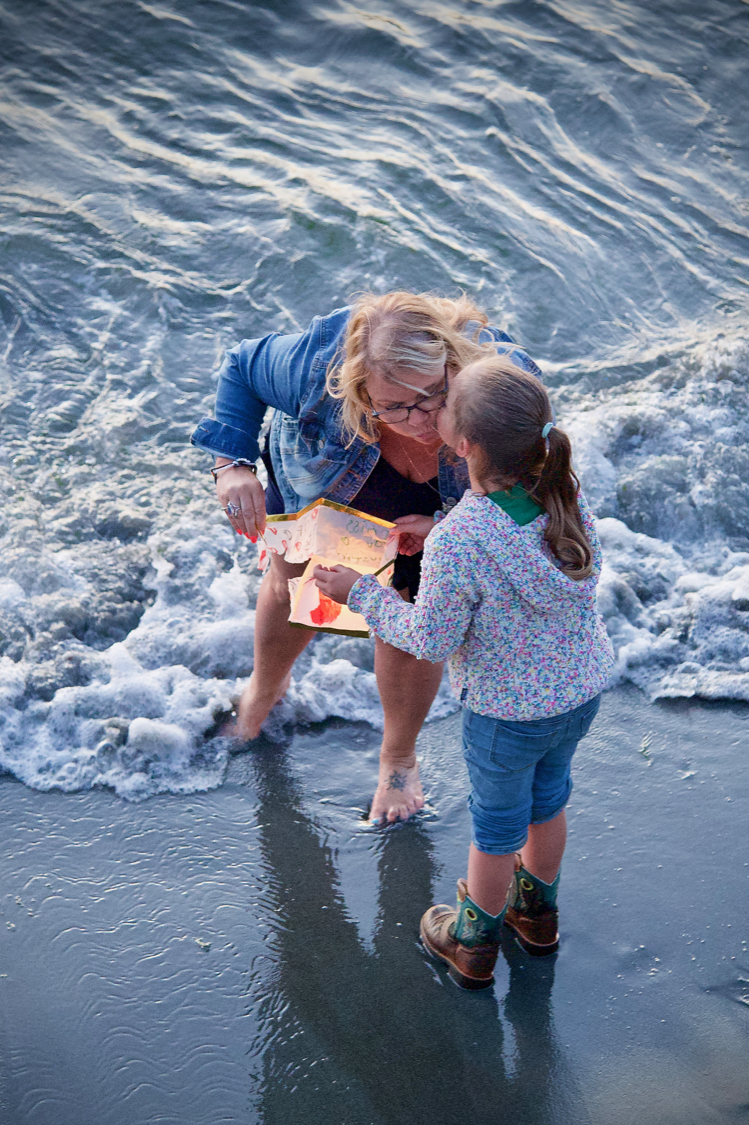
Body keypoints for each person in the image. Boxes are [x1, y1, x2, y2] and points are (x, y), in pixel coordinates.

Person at [313, 356, 614, 989]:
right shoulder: (562, 489)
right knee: (548, 799)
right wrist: (443, 527)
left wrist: (358, 593)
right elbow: (512, 540)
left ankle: (473, 939)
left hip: (508, 712)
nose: (432, 410)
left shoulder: (462, 541)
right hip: (578, 691)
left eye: (444, 403)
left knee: (498, 825)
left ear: (465, 443)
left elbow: (429, 638)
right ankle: (537, 915)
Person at [192, 292, 540, 824]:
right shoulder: (316, 367)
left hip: (444, 502)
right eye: (394, 406)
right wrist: (231, 464)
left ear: (453, 364)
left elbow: (533, 490)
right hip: (328, 474)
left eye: (432, 397)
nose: (418, 419)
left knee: (410, 614)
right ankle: (263, 694)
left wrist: (447, 527)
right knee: (297, 587)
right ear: (357, 390)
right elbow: (241, 366)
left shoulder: (503, 385)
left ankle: (398, 761)